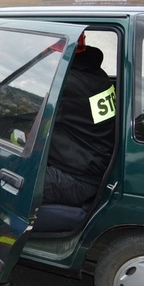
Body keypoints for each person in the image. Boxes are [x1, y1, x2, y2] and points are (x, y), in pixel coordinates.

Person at [43, 33, 116, 207]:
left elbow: (32, 113)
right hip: (95, 163)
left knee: (6, 178)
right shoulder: (96, 74)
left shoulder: (67, 83)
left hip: (76, 177)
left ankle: (4, 230)